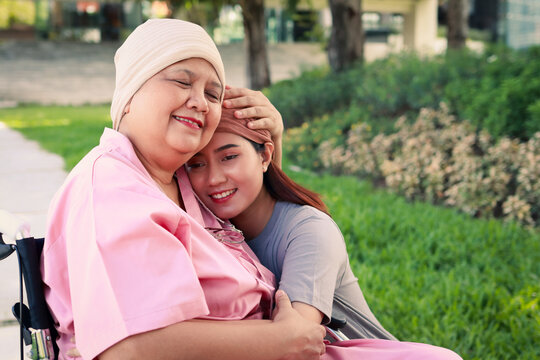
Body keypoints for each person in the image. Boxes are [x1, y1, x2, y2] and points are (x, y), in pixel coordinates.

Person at [42, 18, 327, 360]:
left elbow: (264, 219)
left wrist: (272, 139)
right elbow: (125, 350)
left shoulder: (183, 181)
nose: (201, 103)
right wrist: (280, 341)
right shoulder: (110, 190)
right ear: (129, 95)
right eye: (182, 82)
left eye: (213, 94)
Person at [184, 107, 464, 359]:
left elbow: (292, 341)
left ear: (265, 156)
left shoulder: (309, 231)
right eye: (196, 164)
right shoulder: (212, 233)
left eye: (229, 157)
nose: (214, 179)